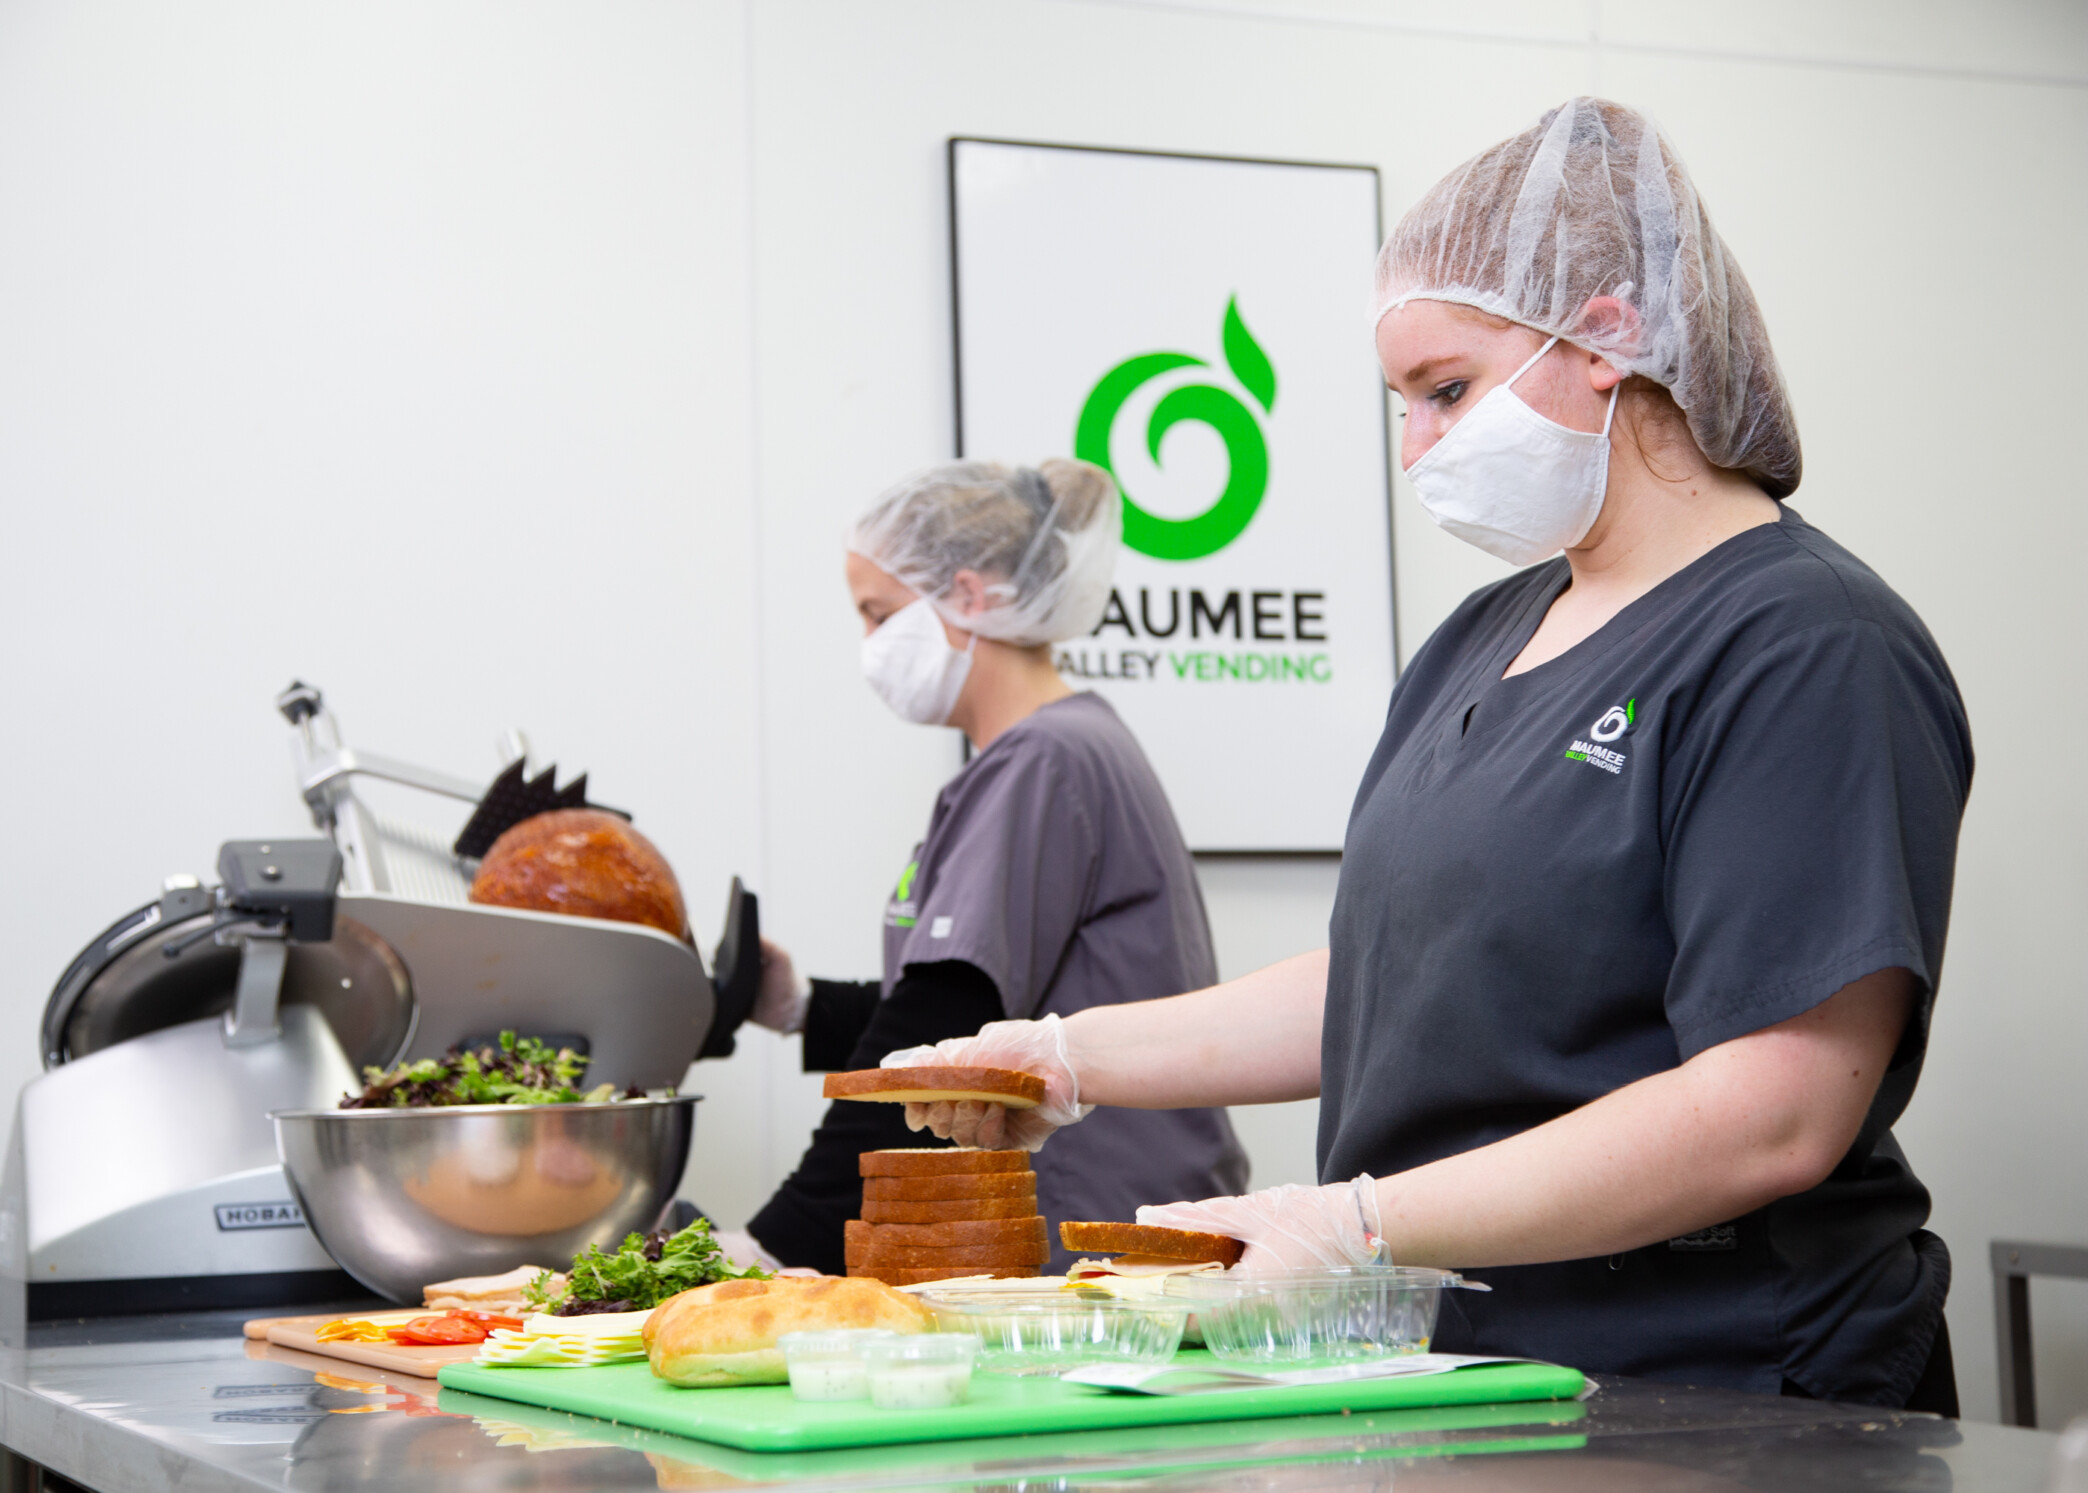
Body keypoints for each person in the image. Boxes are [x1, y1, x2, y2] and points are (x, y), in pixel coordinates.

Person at [888, 99, 1971, 1413]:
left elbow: (1775, 1111)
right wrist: (1063, 1055)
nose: (1419, 451)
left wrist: (1354, 1221)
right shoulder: (1484, 636)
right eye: (1400, 406)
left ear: (1609, 333)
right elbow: (1389, 975)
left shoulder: (1806, 643)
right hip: (1482, 1370)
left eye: (1447, 391)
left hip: (1730, 1381)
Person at [741, 458, 1249, 1274]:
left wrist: (777, 1241)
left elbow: (942, 1018)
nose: (871, 647)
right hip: (1105, 1220)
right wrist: (805, 1008)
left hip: (1101, 1230)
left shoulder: (1044, 762)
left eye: (878, 613)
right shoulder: (1048, 753)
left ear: (969, 596)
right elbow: (995, 1009)